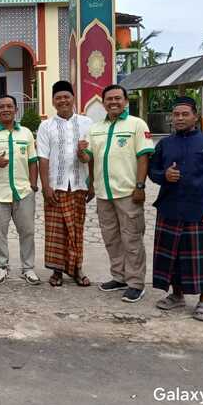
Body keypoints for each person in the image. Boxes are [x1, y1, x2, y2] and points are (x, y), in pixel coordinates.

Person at [148, 97, 203, 322]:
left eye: (184, 114)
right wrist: (165, 176)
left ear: (195, 116)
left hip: (198, 210)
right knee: (172, 256)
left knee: (199, 258)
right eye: (176, 114)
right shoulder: (164, 144)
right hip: (169, 208)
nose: (179, 118)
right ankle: (177, 295)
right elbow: (153, 171)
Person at [79, 84, 154, 303]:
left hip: (128, 193)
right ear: (103, 103)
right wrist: (81, 152)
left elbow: (143, 156)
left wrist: (140, 187)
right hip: (104, 194)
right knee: (111, 239)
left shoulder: (136, 125)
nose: (113, 102)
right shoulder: (96, 128)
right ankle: (119, 276)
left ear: (126, 101)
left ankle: (136, 283)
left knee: (132, 239)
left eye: (117, 98)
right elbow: (89, 158)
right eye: (109, 99)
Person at [0, 94, 40, 285]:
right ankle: (2, 267)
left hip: (23, 191)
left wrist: (33, 185)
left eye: (9, 106)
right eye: (1, 106)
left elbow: (33, 160)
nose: (5, 109)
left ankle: (28, 268)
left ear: (15, 109)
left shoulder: (26, 133)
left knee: (27, 231)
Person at [36, 81, 94, 287]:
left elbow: (92, 156)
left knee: (76, 229)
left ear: (73, 98)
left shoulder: (87, 123)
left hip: (79, 184)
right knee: (56, 231)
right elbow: (42, 157)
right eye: (58, 98)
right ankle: (57, 271)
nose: (63, 101)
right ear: (53, 101)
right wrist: (45, 187)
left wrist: (92, 183)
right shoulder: (46, 126)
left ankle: (77, 269)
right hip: (56, 185)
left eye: (66, 97)